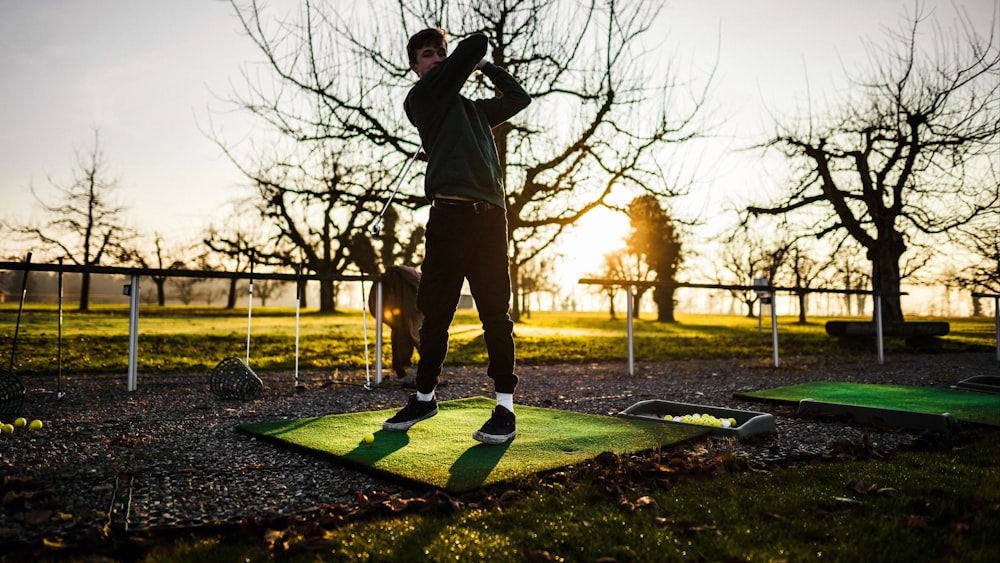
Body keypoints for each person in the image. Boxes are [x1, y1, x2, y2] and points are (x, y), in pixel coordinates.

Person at [382, 28, 531, 445]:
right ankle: (425, 397)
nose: (436, 59)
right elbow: (477, 41)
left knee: (495, 316)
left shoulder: (475, 111)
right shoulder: (421, 100)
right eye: (428, 55)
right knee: (435, 315)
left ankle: (505, 407)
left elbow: (519, 99)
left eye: (440, 53)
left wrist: (487, 68)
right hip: (448, 219)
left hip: (490, 221)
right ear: (415, 66)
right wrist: (469, 56)